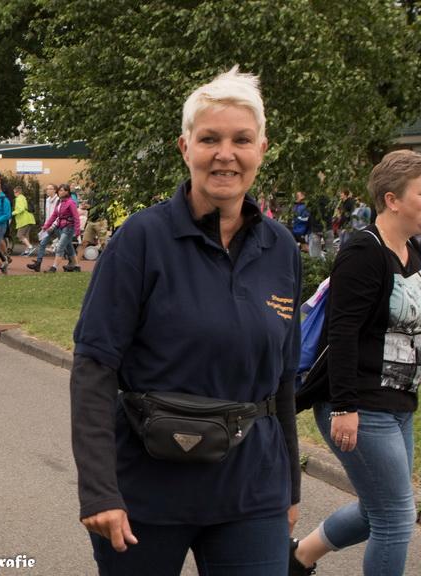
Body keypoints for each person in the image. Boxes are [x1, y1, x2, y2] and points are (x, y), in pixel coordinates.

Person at [71, 67, 300, 575]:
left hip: (253, 492)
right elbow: (94, 367)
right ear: (185, 147)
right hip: (146, 494)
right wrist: (99, 491)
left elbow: (283, 379)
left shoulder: (281, 247)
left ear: (262, 149)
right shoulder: (141, 240)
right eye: (209, 139)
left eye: (242, 140)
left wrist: (290, 488)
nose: (225, 154)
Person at [289, 150, 421, 576]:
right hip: (359, 403)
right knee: (395, 516)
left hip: (399, 402)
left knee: (377, 508)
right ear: (392, 200)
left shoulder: (414, 250)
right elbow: (341, 334)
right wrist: (345, 407)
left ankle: (297, 558)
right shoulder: (364, 251)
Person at [26, 185, 81, 273]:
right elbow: (54, 216)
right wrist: (46, 226)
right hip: (61, 227)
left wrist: (77, 231)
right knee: (69, 247)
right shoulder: (60, 202)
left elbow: (76, 217)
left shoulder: (71, 202)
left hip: (69, 228)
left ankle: (53, 268)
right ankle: (77, 266)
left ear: (67, 192)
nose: (60, 192)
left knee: (60, 247)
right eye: (60, 190)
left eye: (62, 190)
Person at [12, 186, 36, 256]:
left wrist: (12, 213)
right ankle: (27, 251)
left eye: (15, 192)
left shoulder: (18, 199)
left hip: (24, 220)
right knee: (25, 236)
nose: (14, 194)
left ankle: (30, 247)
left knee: (20, 235)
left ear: (18, 192)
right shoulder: (23, 198)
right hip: (29, 219)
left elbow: (21, 209)